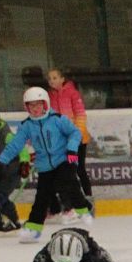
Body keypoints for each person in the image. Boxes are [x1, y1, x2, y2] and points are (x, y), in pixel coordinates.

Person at [0, 86, 91, 243]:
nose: (35, 108)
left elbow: (74, 133)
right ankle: (33, 229)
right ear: (26, 107)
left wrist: (72, 149)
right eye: (31, 105)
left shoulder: (57, 119)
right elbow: (15, 145)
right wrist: (2, 161)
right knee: (42, 198)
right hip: (44, 166)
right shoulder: (26, 126)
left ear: (45, 104)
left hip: (64, 158)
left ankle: (83, 209)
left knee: (69, 182)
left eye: (38, 104)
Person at [46, 68, 94, 212]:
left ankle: (88, 200)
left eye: (55, 78)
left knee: (79, 169)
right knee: (64, 172)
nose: (52, 81)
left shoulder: (72, 93)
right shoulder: (48, 97)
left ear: (62, 79)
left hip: (78, 141)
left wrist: (76, 135)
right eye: (49, 78)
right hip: (61, 143)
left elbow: (80, 114)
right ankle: (68, 204)